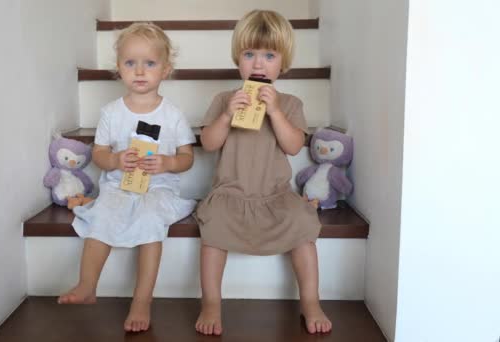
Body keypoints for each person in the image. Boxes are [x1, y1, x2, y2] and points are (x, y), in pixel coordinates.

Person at [194, 10, 333, 335]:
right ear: (238, 59)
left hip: (274, 196)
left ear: (282, 62)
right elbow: (209, 143)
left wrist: (273, 112)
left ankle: (310, 301)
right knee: (213, 229)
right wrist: (228, 115)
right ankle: (211, 302)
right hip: (231, 193)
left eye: (269, 55)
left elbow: (294, 145)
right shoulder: (225, 99)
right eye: (250, 54)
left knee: (302, 224)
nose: (258, 64)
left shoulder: (289, 103)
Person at [57, 22, 196, 333]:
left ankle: (142, 299)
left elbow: (188, 158)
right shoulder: (111, 112)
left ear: (166, 70)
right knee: (103, 215)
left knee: (150, 220)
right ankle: (87, 285)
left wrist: (168, 162)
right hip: (118, 185)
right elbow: (100, 154)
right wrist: (116, 159)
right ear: (119, 69)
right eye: (130, 63)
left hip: (158, 189)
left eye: (150, 63)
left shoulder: (172, 115)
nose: (140, 71)